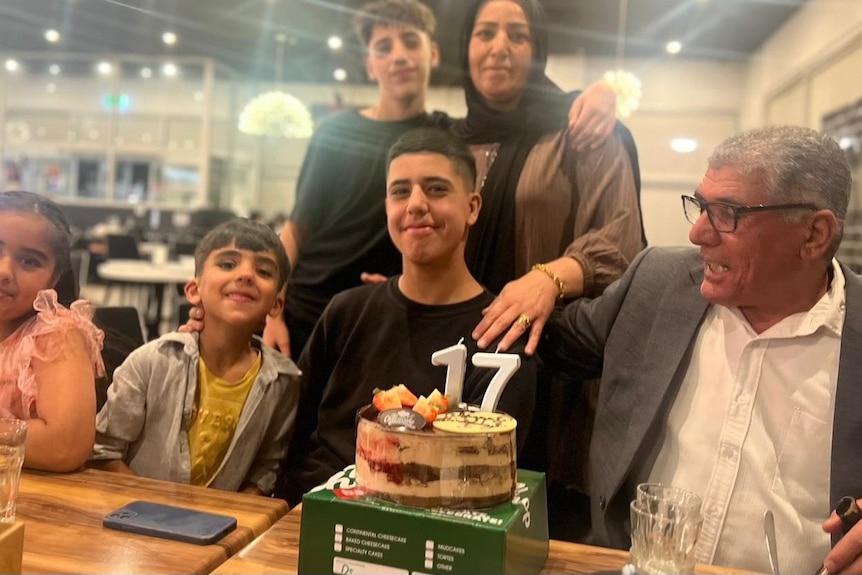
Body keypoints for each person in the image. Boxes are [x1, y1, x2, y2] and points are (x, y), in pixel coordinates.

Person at [540, 125, 862, 574]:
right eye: (700, 206)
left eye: (727, 213)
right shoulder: (659, 284)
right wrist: (545, 280)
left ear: (813, 235)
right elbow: (554, 344)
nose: (698, 234)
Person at [257, 0, 619, 360]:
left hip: (384, 313)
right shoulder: (336, 132)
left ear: (432, 53)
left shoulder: (448, 136)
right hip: (309, 307)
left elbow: (530, 113)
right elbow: (295, 231)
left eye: (410, 43)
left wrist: (601, 93)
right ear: (370, 65)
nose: (399, 56)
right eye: (384, 48)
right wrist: (273, 312)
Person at [278, 127, 537, 506]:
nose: (415, 203)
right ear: (387, 207)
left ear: (472, 207)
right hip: (313, 522)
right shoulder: (345, 312)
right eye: (400, 191)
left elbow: (489, 488)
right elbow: (290, 438)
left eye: (436, 188)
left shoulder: (502, 334)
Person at [463, 0, 645, 356]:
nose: (499, 48)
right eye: (485, 33)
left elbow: (621, 242)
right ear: (465, 46)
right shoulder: (450, 140)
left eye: (518, 35)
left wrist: (549, 277)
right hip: (462, 343)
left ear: (537, 50)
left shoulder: (583, 129)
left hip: (552, 351)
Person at [91, 219, 300, 495]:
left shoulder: (284, 381)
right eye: (227, 264)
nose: (246, 275)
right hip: (136, 520)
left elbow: (265, 469)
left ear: (276, 304)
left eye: (263, 271)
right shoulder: (152, 362)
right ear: (193, 290)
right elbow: (104, 452)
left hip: (221, 529)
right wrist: (152, 507)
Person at [0, 190, 104, 472]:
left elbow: (64, 445)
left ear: (54, 277)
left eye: (29, 261)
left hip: (29, 504)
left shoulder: (54, 333)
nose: (4, 270)